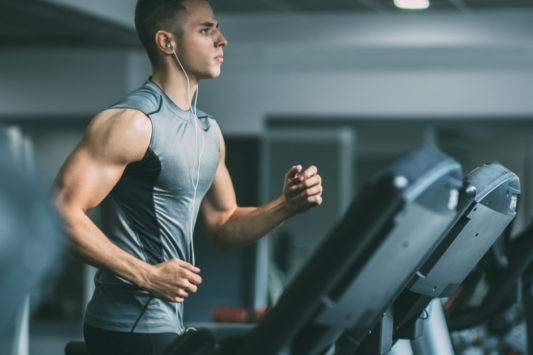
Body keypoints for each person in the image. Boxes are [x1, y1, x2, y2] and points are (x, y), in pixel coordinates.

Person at [53, 0, 323, 354]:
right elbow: (59, 212)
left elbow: (224, 225)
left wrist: (286, 206)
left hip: (170, 322)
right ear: (168, 42)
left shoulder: (208, 131)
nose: (222, 40)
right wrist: (146, 275)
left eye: (217, 29)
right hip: (126, 327)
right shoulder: (133, 122)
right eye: (206, 30)